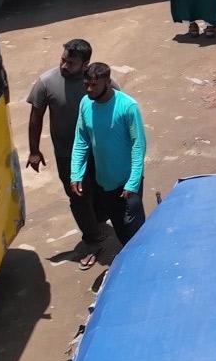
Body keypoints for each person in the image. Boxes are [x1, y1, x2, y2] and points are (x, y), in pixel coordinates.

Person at [26, 39, 111, 269]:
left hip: (99, 149)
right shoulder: (46, 83)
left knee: (102, 188)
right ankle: (92, 239)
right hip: (68, 154)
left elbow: (116, 107)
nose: (64, 65)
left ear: (85, 65)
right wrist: (34, 151)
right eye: (63, 59)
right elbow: (36, 118)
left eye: (71, 63)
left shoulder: (98, 80)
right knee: (78, 196)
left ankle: (99, 221)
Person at [69, 62, 147, 252]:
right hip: (105, 182)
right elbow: (81, 140)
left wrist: (133, 182)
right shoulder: (85, 103)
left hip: (128, 182)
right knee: (121, 231)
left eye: (94, 85)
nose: (89, 89)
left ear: (107, 81)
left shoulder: (128, 106)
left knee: (135, 231)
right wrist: (76, 174)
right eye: (86, 84)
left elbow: (139, 146)